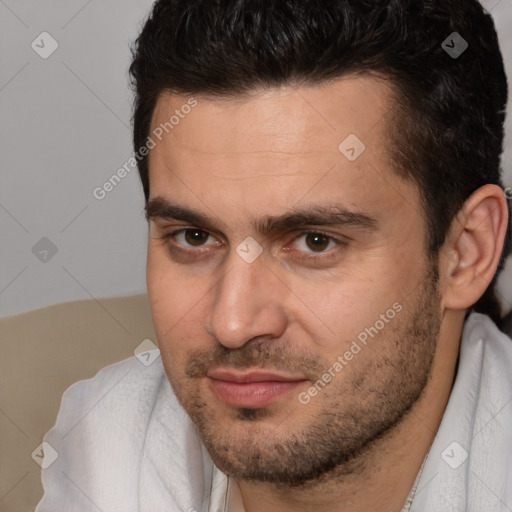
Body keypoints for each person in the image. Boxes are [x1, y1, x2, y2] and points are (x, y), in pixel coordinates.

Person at [35, 0, 512, 511]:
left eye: (314, 241)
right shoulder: (105, 448)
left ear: (465, 253)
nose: (233, 323)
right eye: (194, 236)